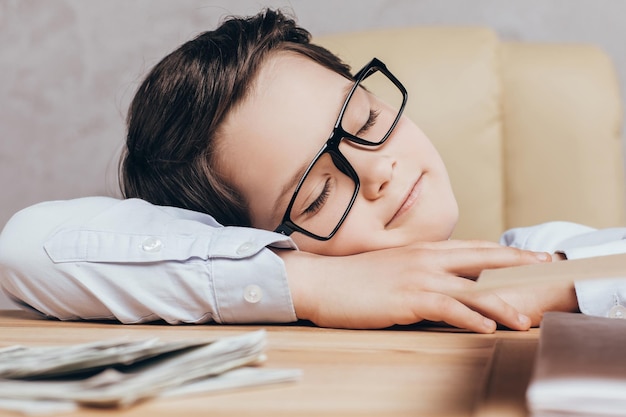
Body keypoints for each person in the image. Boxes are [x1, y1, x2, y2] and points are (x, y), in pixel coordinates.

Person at [0, 9, 624, 332]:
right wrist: (314, 286)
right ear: (251, 238)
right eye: (320, 194)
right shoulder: (281, 290)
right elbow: (29, 246)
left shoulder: (544, 255)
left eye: (365, 117)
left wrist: (552, 287)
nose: (375, 171)